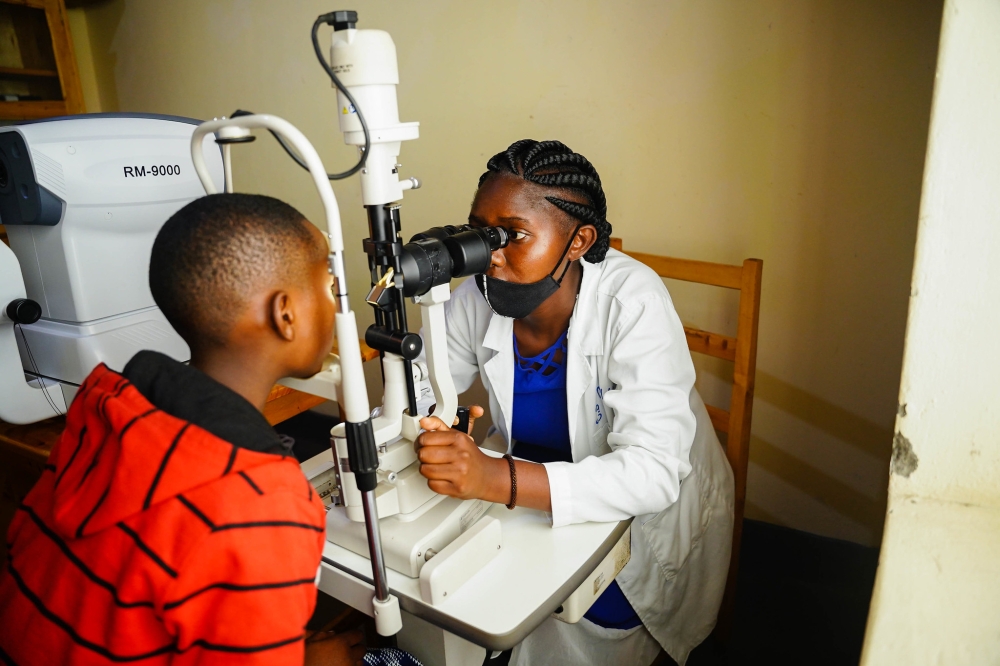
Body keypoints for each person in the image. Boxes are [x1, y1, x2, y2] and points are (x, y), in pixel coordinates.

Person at [0, 194, 364, 665]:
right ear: (285, 314)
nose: (338, 302)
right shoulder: (263, 504)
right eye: (330, 284)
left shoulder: (107, 405)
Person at [415, 140, 735, 666]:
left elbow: (653, 472)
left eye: (514, 235)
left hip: (640, 522)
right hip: (532, 481)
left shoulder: (634, 300)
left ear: (578, 240)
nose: (490, 253)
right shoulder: (479, 292)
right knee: (458, 591)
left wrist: (495, 478)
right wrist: (432, 421)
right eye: (480, 230)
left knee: (554, 625)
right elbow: (424, 384)